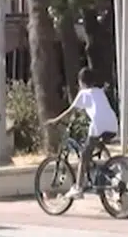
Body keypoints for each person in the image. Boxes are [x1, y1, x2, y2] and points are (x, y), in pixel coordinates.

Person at [45, 67, 118, 199]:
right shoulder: (99, 92)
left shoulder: (84, 93)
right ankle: (107, 171)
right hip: (113, 125)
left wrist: (55, 121)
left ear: (81, 82)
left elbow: (70, 111)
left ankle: (78, 187)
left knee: (84, 156)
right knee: (94, 146)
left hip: (99, 125)